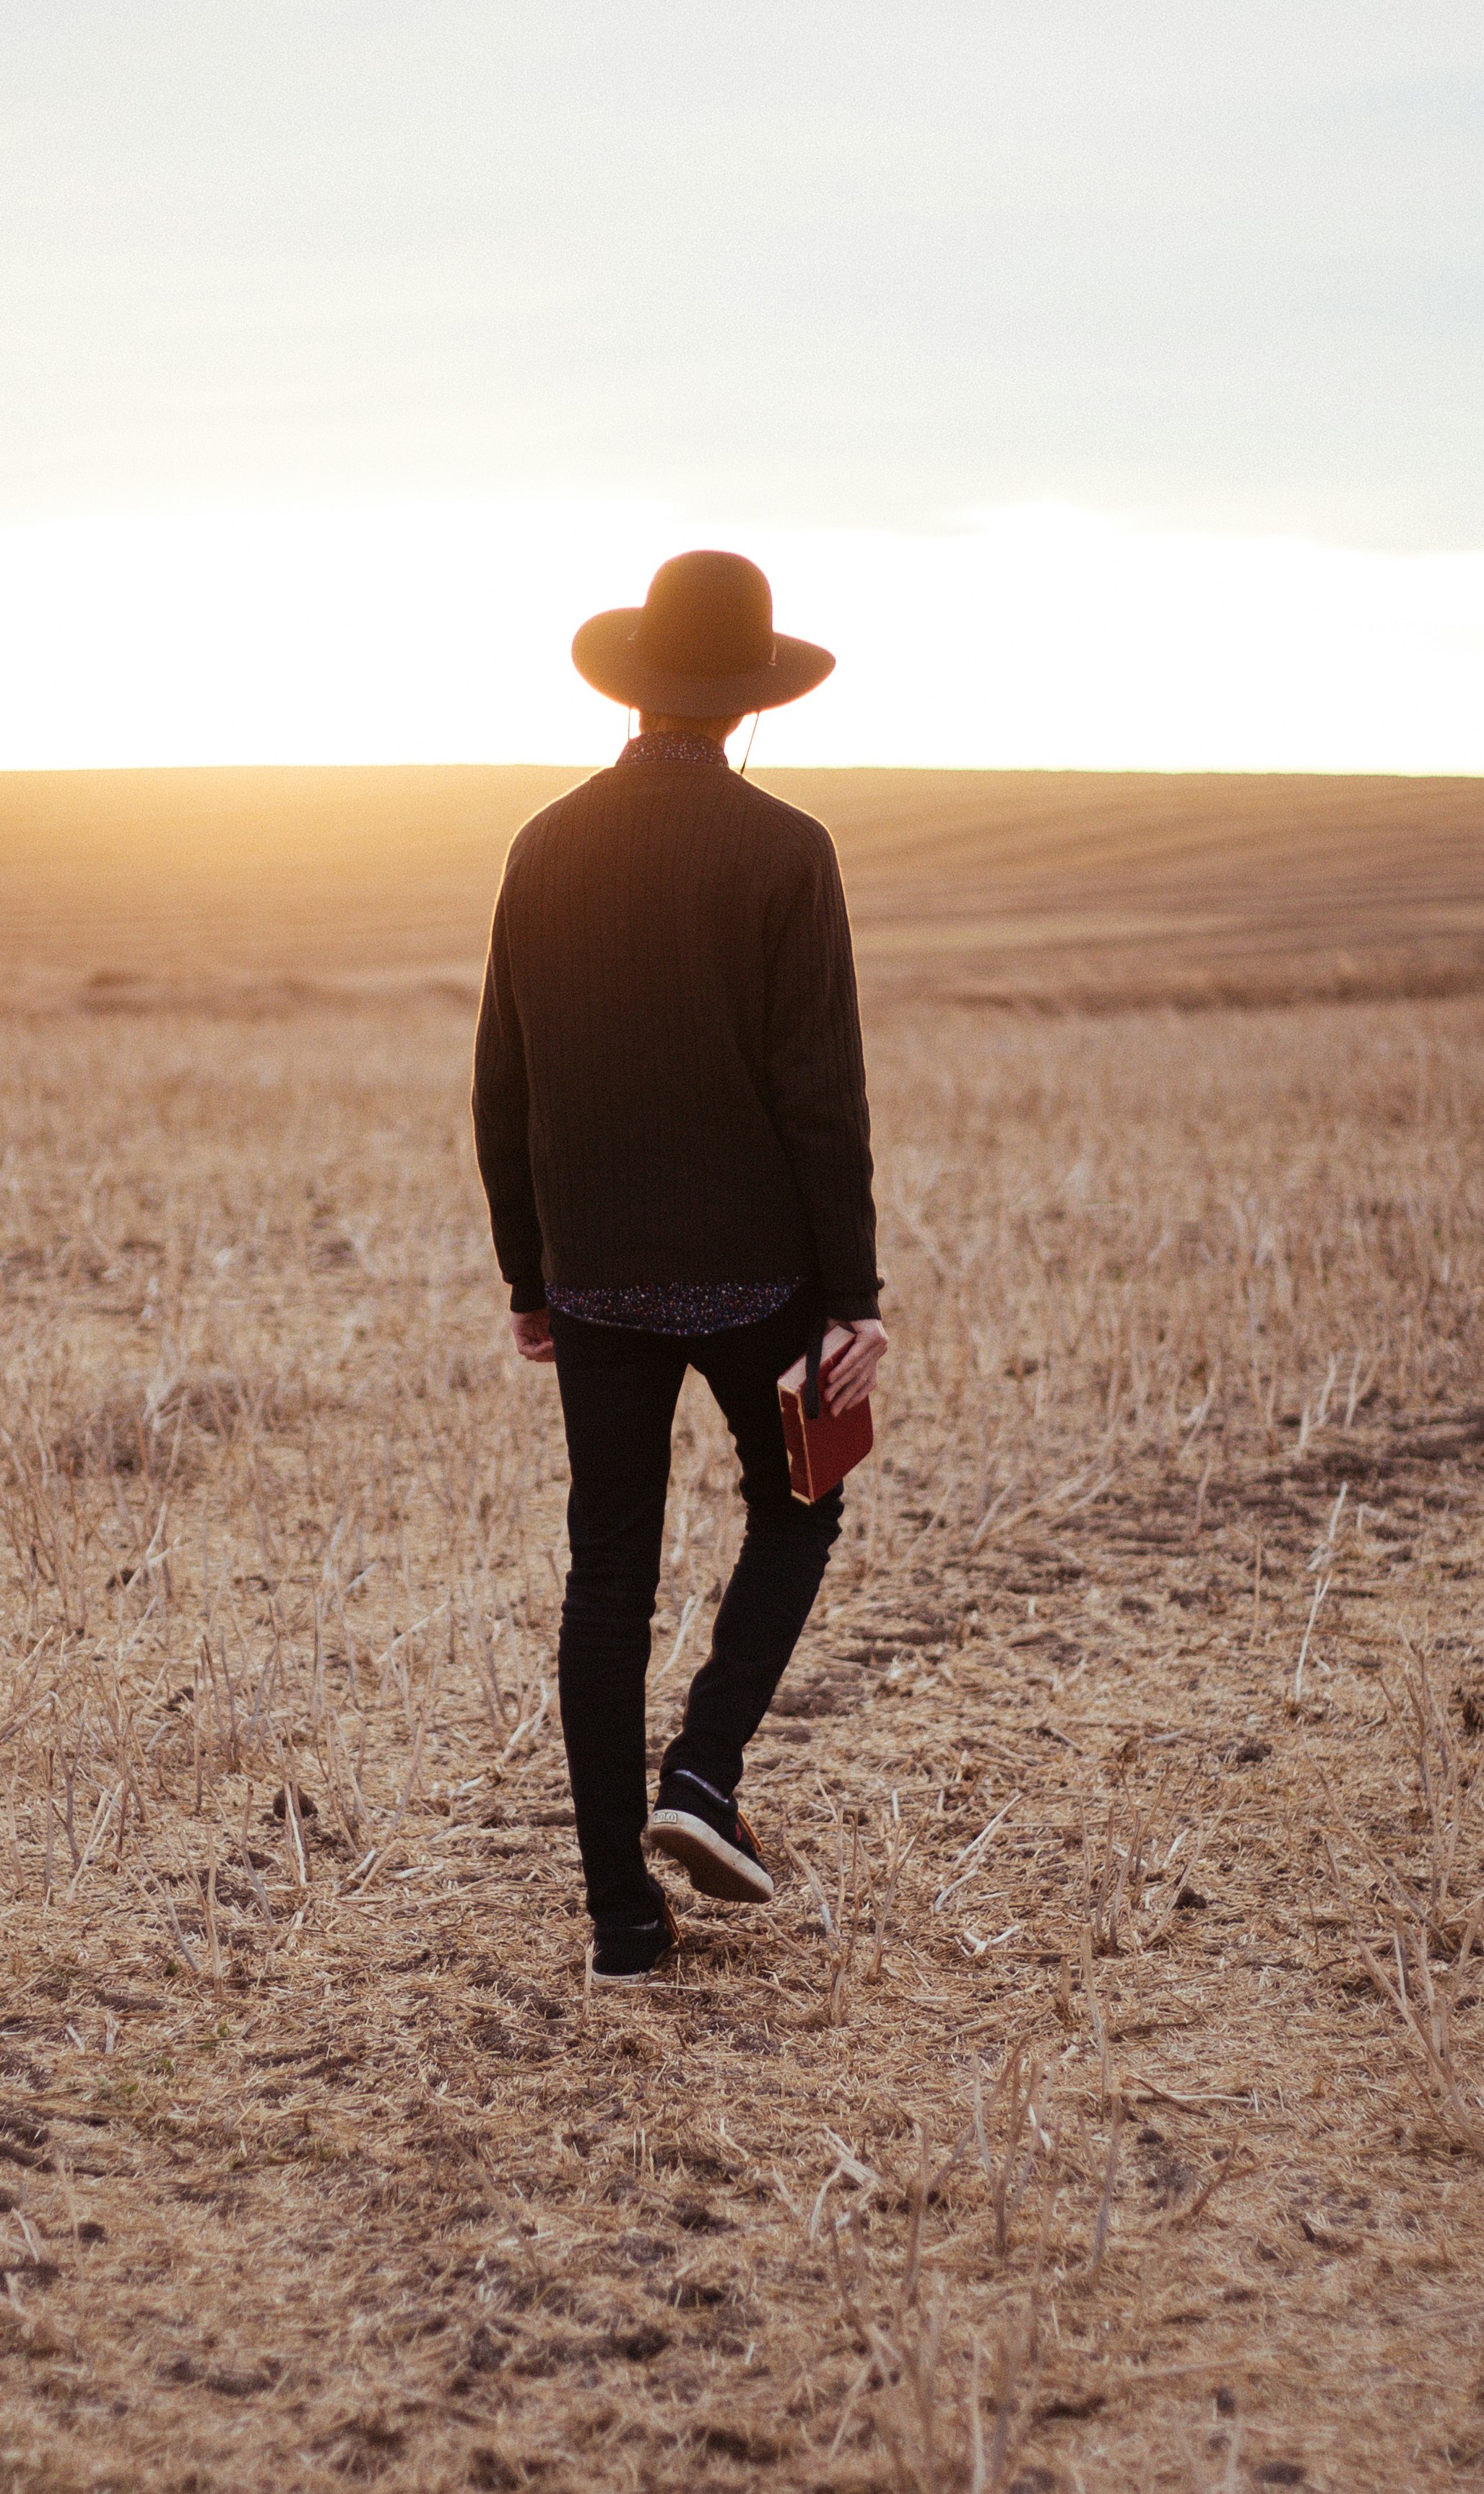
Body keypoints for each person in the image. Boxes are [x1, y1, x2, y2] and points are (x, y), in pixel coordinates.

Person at [471, 550, 890, 1982]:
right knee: (811, 1500)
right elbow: (818, 1092)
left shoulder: (543, 846)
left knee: (608, 1578)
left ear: (637, 688)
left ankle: (623, 1925)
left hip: (594, 1281)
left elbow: (503, 1087)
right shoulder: (789, 851)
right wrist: (857, 1301)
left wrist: (529, 1276)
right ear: (749, 701)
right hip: (766, 1278)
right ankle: (702, 1775)